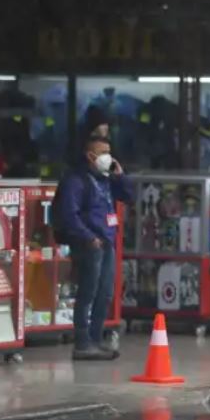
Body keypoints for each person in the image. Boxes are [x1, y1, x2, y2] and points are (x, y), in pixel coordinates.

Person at [58, 132, 134, 360]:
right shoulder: (75, 180)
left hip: (107, 242)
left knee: (106, 293)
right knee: (87, 292)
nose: (107, 158)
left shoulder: (107, 179)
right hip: (90, 244)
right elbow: (69, 214)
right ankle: (82, 342)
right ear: (90, 156)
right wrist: (88, 237)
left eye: (109, 153)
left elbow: (129, 196)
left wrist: (120, 176)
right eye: (102, 153)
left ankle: (96, 339)